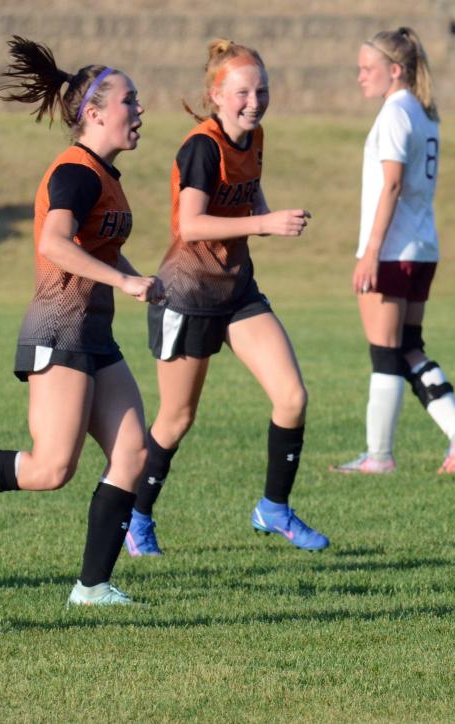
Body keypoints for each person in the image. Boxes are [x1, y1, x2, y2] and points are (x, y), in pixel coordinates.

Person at [0, 37, 160, 605]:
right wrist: (124, 281)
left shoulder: (105, 175)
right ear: (96, 114)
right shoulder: (75, 173)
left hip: (94, 335)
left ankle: (93, 586)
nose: (139, 111)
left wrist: (137, 277)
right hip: (58, 331)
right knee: (52, 467)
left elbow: (97, 249)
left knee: (133, 452)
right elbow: (55, 244)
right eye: (131, 101)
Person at [124, 40, 329, 556]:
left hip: (236, 292)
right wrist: (264, 222)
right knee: (176, 419)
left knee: (292, 398)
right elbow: (189, 224)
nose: (254, 101)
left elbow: (247, 191)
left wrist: (263, 212)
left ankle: (274, 509)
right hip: (187, 296)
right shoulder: (202, 147)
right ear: (216, 95)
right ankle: (136, 517)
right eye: (242, 92)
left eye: (262, 90)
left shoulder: (255, 137)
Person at [331, 27, 455, 476]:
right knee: (409, 347)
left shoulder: (397, 113)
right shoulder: (423, 111)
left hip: (394, 250)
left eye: (367, 69)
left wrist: (369, 252)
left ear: (394, 71)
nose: (360, 77)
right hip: (421, 248)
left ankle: (378, 456)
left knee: (385, 353)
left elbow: (393, 183)